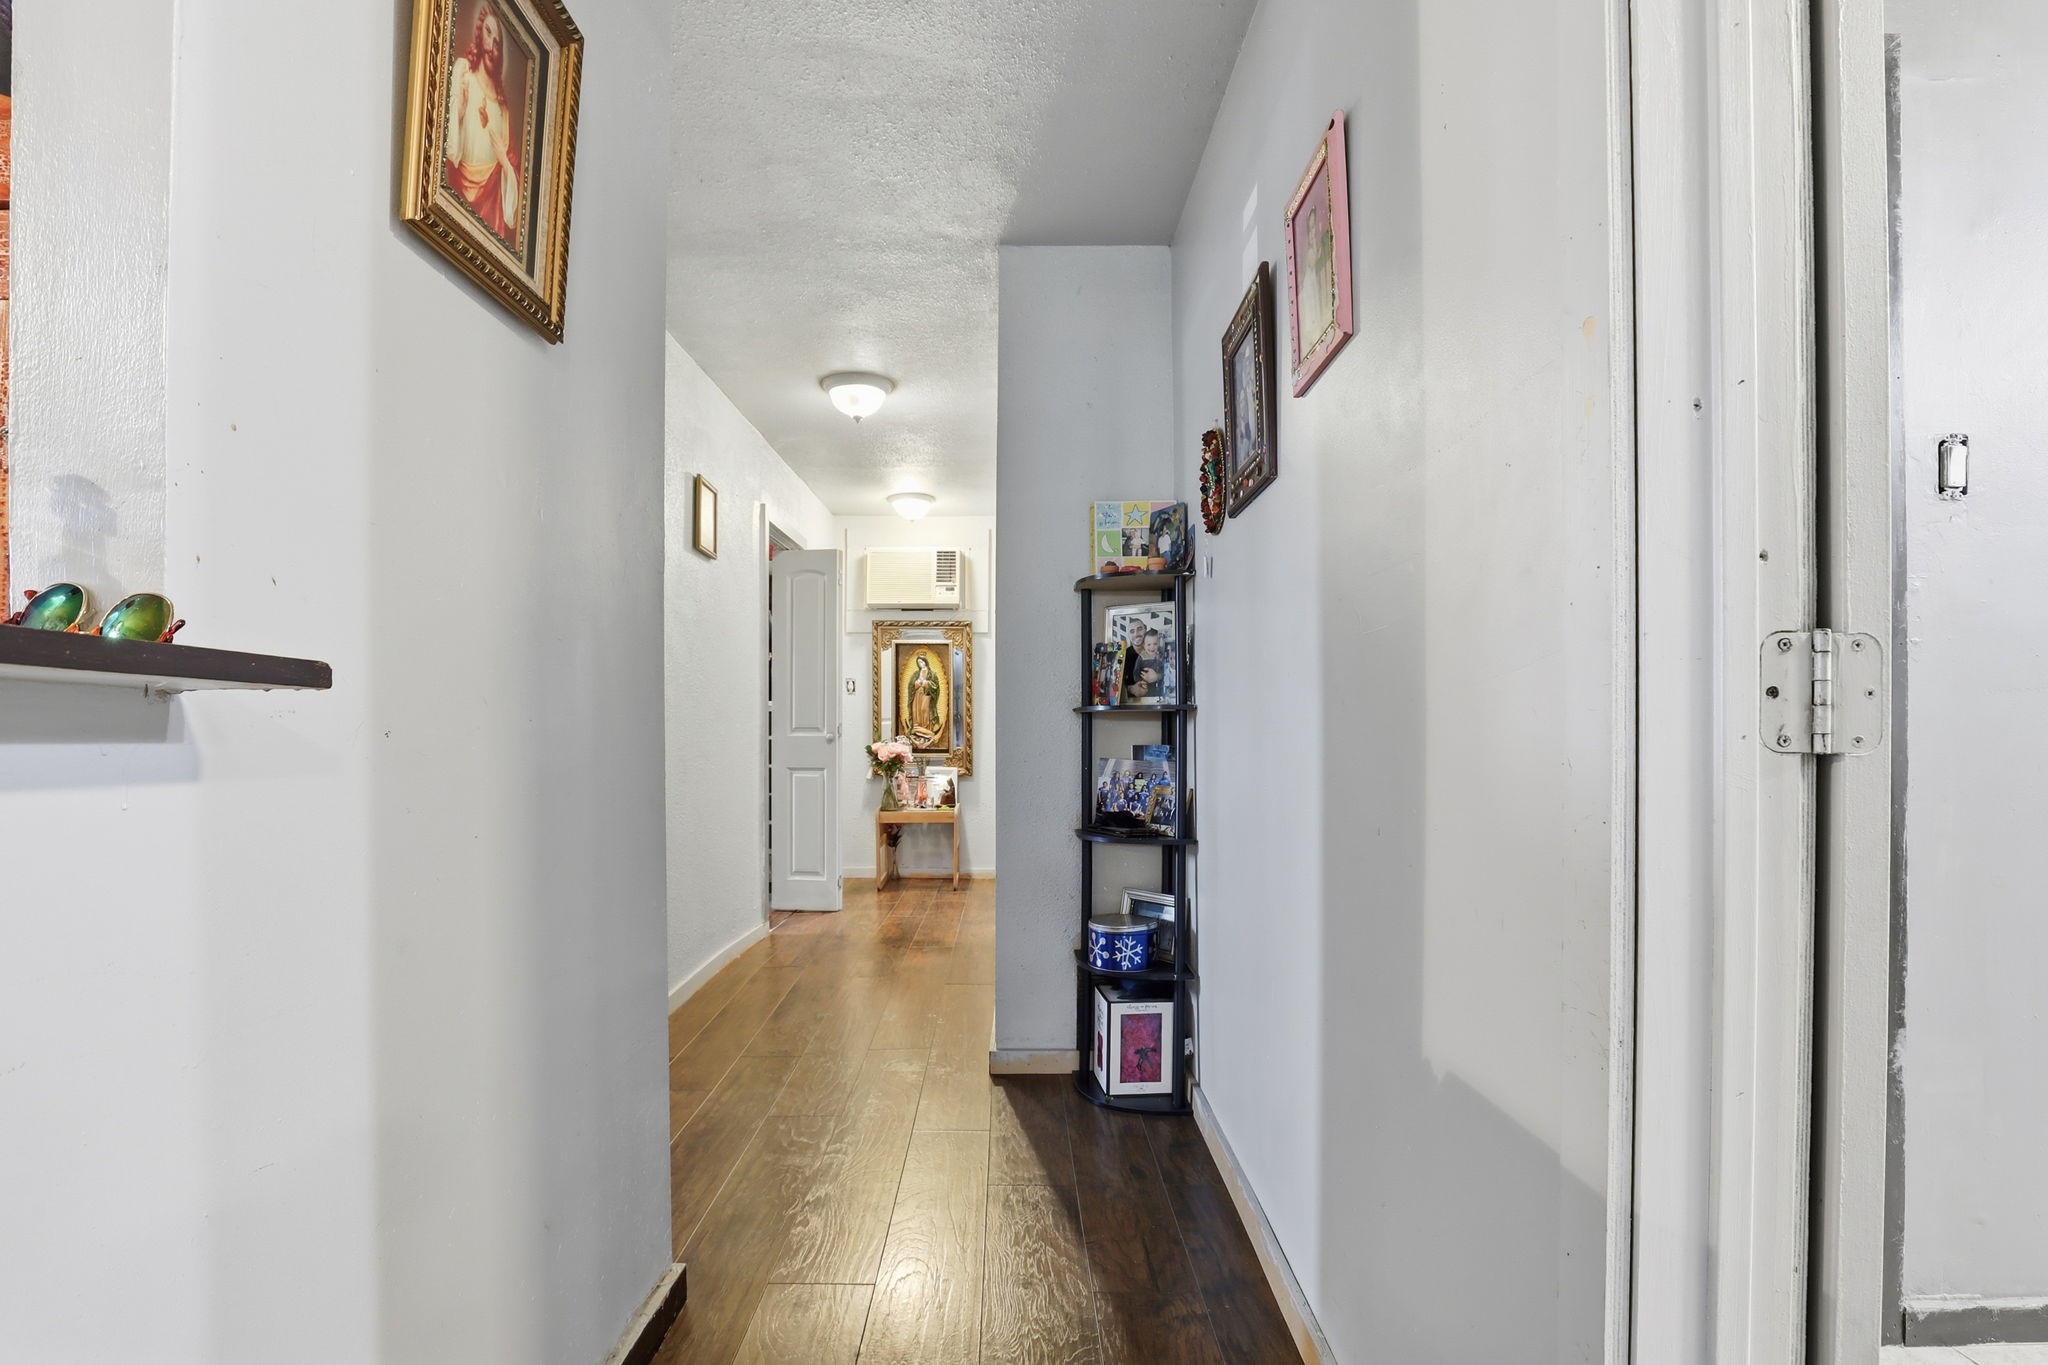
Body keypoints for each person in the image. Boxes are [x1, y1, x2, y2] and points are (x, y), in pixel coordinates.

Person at [445, 1, 522, 244]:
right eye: (488, 34)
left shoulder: (503, 109)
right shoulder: (463, 75)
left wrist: (504, 162)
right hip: (456, 193)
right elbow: (447, 148)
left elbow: (512, 167)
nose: (492, 46)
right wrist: (457, 113)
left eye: (498, 43)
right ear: (479, 35)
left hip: (492, 210)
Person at [906, 652, 943, 744]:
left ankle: (926, 732)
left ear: (926, 662)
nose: (920, 664)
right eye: (918, 663)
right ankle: (917, 733)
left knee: (924, 711)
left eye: (922, 662)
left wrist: (927, 683)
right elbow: (911, 685)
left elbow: (936, 686)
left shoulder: (932, 674)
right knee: (916, 711)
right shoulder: (915, 674)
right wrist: (917, 683)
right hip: (917, 695)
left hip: (927, 695)